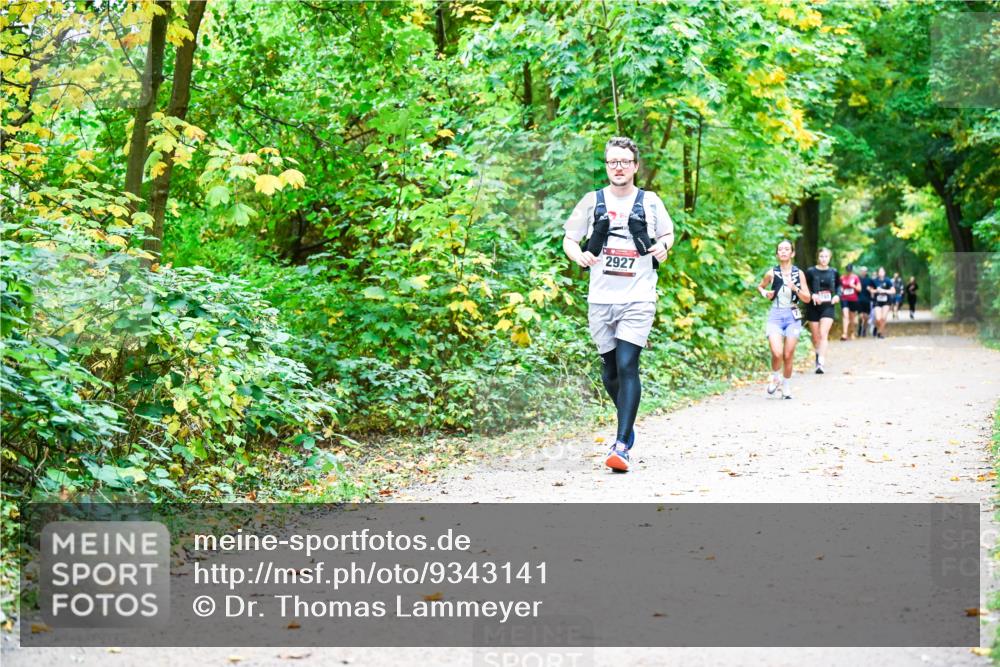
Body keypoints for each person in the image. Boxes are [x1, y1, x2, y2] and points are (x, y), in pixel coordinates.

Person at [562, 136, 674, 473]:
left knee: (627, 365)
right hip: (601, 299)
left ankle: (621, 444)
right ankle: (627, 421)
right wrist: (578, 254)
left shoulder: (650, 202)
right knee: (609, 372)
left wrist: (663, 248)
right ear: (607, 165)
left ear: (635, 166)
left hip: (638, 297)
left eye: (625, 161)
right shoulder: (592, 201)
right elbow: (569, 238)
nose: (619, 167)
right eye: (613, 162)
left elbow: (668, 236)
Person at [757, 239, 811, 399]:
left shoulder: (798, 273)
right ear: (777, 253)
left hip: (792, 316)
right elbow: (760, 286)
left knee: (788, 354)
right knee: (776, 352)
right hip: (775, 315)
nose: (783, 251)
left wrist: (796, 289)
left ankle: (786, 386)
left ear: (792, 253)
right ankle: (775, 377)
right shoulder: (771, 273)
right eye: (780, 249)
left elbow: (807, 298)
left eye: (787, 249)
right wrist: (765, 293)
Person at [805, 248, 839, 374]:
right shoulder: (810, 271)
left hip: (828, 306)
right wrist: (812, 294)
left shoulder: (834, 272)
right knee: (816, 337)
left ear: (829, 258)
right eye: (821, 256)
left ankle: (821, 362)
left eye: (826, 256)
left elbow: (839, 286)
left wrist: (837, 295)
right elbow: (804, 286)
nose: (824, 259)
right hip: (813, 306)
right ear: (817, 257)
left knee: (823, 333)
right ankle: (818, 354)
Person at [839, 263, 862, 341]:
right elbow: (839, 287)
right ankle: (844, 334)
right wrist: (841, 289)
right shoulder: (842, 278)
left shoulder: (855, 278)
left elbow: (859, 289)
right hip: (844, 298)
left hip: (853, 299)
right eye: (847, 270)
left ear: (851, 270)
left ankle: (852, 332)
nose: (849, 271)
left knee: (852, 318)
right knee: (845, 315)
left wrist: (854, 286)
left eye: (850, 270)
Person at [870, 266, 895, 338]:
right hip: (877, 301)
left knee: (883, 318)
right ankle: (876, 327)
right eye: (880, 272)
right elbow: (871, 290)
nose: (881, 273)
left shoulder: (888, 280)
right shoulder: (874, 280)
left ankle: (880, 333)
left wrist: (885, 291)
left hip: (886, 301)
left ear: (884, 272)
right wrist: (876, 291)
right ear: (878, 273)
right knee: (878, 318)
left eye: (882, 271)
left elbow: (893, 291)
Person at [856, 266, 872, 337]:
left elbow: (874, 288)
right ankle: (859, 327)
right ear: (860, 271)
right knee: (860, 316)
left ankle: (864, 330)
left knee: (866, 317)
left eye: (864, 271)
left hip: (867, 300)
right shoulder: (857, 279)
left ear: (866, 272)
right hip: (859, 300)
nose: (863, 272)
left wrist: (871, 290)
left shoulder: (869, 280)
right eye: (862, 270)